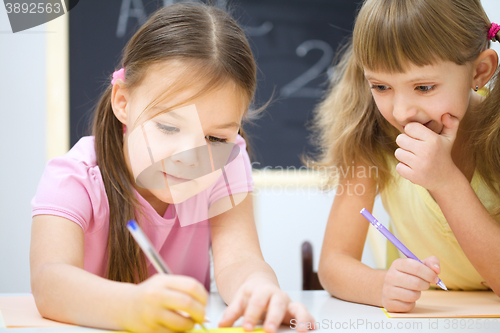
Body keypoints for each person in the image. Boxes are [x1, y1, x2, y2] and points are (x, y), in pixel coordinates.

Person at [30, 3, 313, 332]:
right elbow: (49, 282)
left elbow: (239, 260)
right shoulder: (74, 177)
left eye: (215, 138)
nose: (189, 158)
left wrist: (259, 290)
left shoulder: (228, 163)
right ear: (122, 101)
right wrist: (131, 307)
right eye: (168, 127)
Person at [313, 0, 500, 312]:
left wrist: (446, 182)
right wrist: (381, 285)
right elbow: (334, 264)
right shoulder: (373, 136)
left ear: (479, 71)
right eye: (381, 86)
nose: (401, 112)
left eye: (424, 87)